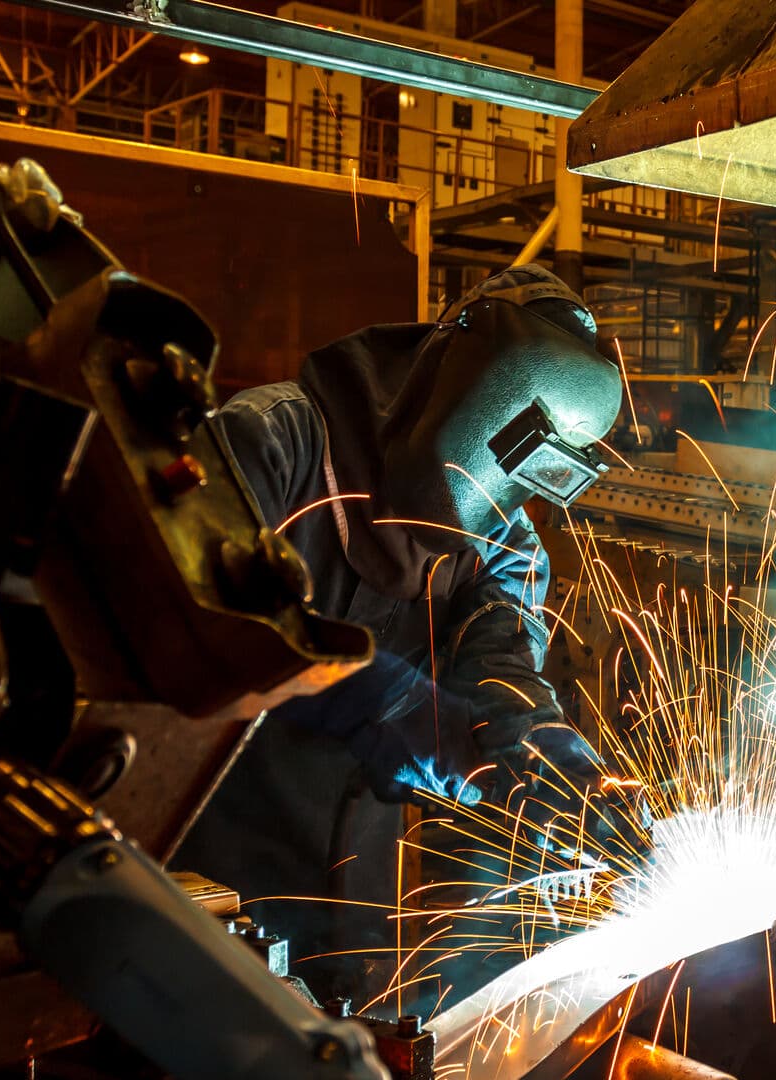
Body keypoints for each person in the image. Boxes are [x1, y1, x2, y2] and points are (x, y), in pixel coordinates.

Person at [175, 265, 645, 1004]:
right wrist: (394, 710)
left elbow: (501, 672)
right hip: (189, 884)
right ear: (444, 379)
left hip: (351, 913)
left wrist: (544, 759)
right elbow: (196, 632)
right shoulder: (270, 446)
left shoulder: (505, 544)